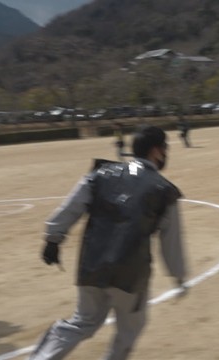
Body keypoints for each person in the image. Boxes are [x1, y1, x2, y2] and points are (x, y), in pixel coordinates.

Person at [29, 125, 188, 360]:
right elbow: (171, 239)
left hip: (92, 264)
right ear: (155, 151)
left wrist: (53, 238)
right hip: (130, 273)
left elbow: (72, 206)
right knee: (130, 328)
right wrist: (178, 274)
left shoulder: (101, 173)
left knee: (83, 321)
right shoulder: (164, 190)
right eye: (165, 148)